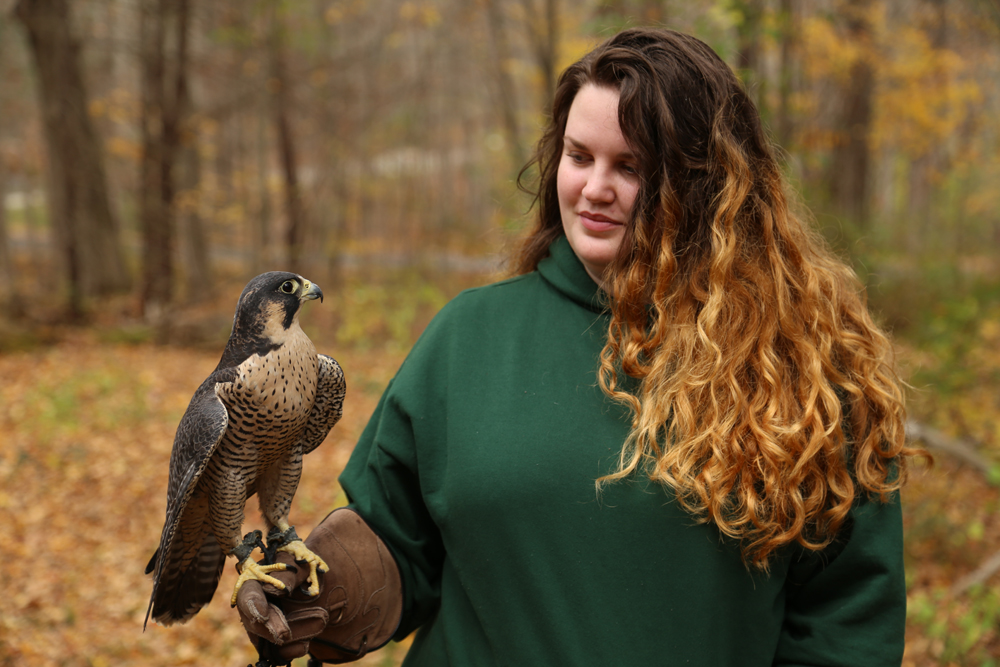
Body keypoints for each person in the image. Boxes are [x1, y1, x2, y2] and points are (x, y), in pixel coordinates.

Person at [237, 27, 917, 667]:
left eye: (631, 166)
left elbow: (846, 618)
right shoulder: (469, 338)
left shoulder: (802, 368)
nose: (594, 188)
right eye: (578, 155)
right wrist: (317, 586)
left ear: (703, 182)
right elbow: (398, 543)